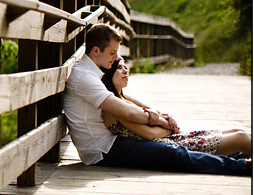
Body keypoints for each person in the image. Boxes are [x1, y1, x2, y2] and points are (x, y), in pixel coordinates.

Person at [63, 23, 250, 176]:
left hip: (108, 141)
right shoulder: (85, 77)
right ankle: (243, 167)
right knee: (175, 154)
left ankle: (239, 156)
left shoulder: (93, 71)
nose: (116, 58)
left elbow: (121, 96)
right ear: (96, 50)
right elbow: (126, 111)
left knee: (175, 148)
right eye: (112, 53)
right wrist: (160, 120)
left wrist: (153, 111)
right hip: (102, 150)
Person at [100, 58, 252, 157]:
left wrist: (165, 120)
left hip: (173, 137)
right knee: (241, 138)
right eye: (120, 68)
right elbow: (149, 135)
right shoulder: (115, 106)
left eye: (126, 67)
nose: (126, 70)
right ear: (109, 74)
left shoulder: (124, 98)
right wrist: (169, 127)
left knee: (237, 131)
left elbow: (159, 114)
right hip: (169, 145)